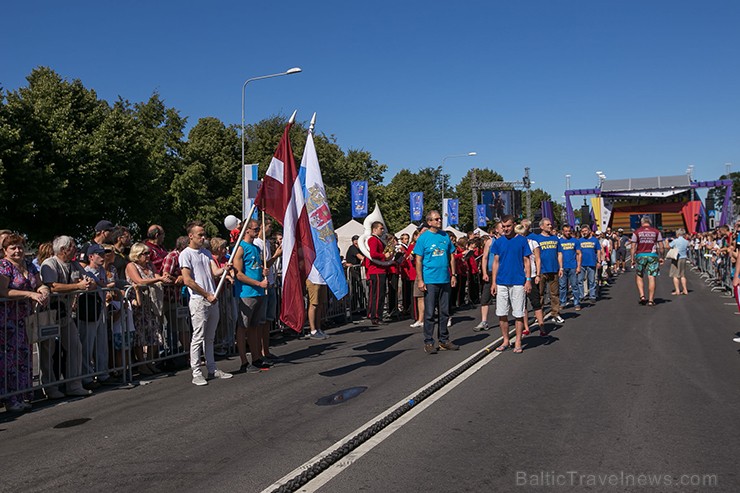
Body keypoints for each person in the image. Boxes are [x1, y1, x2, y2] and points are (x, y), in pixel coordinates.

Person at [179, 220, 233, 385]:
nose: (203, 238)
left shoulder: (206, 253)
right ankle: (196, 372)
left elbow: (214, 271)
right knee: (198, 336)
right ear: (191, 236)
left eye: (204, 235)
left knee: (210, 338)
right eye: (200, 235)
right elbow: (187, 280)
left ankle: (212, 368)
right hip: (198, 300)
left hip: (212, 299)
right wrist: (206, 294)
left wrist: (224, 268)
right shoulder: (186, 254)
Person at [0, 234, 50, 411]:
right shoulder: (4, 266)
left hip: (25, 318)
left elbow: (39, 284)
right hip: (8, 320)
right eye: (12, 247)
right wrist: (30, 294)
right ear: (5, 251)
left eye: (20, 246)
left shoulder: (28, 265)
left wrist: (43, 291)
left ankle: (24, 395)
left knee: (24, 356)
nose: (17, 250)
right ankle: (10, 399)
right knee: (9, 359)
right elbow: (4, 292)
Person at [40, 235, 94, 397]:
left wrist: (90, 283)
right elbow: (52, 286)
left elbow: (88, 279)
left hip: (65, 313)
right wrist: (77, 286)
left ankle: (74, 385)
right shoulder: (49, 264)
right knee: (48, 349)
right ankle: (50, 387)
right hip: (48, 313)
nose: (76, 249)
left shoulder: (75, 264)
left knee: (74, 346)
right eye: (73, 246)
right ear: (63, 249)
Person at [414, 210, 459, 354]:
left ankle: (444, 340)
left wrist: (453, 275)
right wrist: (420, 280)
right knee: (429, 313)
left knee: (444, 312)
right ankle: (428, 341)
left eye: (440, 218)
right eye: (436, 219)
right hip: (430, 280)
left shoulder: (445, 236)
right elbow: (418, 260)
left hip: (445, 279)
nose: (439, 221)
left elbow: (451, 256)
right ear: (429, 222)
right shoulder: (423, 238)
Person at [233, 219, 271, 372]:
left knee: (255, 326)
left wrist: (263, 272)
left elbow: (255, 266)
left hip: (259, 292)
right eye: (255, 229)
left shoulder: (256, 247)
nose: (257, 232)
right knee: (243, 326)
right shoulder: (240, 248)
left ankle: (256, 357)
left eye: (258, 229)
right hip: (246, 293)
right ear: (247, 230)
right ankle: (244, 361)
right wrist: (257, 284)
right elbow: (239, 274)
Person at [490, 216, 532, 354]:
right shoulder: (498, 242)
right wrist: (493, 282)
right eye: (503, 226)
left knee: (518, 313)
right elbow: (495, 262)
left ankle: (518, 341)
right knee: (502, 313)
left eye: (508, 226)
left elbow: (527, 261)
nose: (506, 229)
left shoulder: (522, 240)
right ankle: (506, 340)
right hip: (502, 282)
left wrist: (528, 280)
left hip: (518, 282)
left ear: (514, 225)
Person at [125, 242, 167, 375]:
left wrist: (164, 278)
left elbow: (156, 277)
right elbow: (139, 281)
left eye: (148, 253)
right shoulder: (131, 266)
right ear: (137, 255)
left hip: (151, 304)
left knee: (154, 333)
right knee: (140, 335)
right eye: (145, 253)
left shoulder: (150, 265)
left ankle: (150, 361)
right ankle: (142, 364)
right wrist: (159, 279)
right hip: (139, 304)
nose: (148, 256)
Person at [79, 244, 112, 388]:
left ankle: (103, 373)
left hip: (101, 309)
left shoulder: (102, 271)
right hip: (89, 310)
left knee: (101, 343)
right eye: (99, 254)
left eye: (103, 254)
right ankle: (86, 377)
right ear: (91, 256)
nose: (103, 257)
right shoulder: (86, 271)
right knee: (88, 344)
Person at [254, 218, 283, 362]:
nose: (270, 229)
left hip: (270, 284)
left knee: (267, 320)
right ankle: (259, 352)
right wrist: (276, 255)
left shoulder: (266, 243)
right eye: (269, 227)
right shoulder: (256, 244)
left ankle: (266, 350)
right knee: (261, 321)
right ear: (261, 227)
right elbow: (264, 265)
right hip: (263, 285)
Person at [630, 216, 664, 306]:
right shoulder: (656, 232)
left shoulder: (636, 232)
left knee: (639, 275)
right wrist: (661, 257)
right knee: (651, 277)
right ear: (650, 222)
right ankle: (651, 300)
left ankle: (642, 296)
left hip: (640, 255)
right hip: (652, 255)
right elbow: (661, 246)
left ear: (641, 222)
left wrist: (632, 258)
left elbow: (633, 246)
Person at [535, 217, 560, 335]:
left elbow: (559, 253)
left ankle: (555, 313)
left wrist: (561, 267)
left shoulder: (555, 238)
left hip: (554, 269)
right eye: (548, 224)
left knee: (554, 293)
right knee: (540, 294)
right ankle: (540, 315)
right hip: (542, 271)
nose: (550, 226)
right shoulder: (536, 239)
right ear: (541, 226)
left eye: (551, 224)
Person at [519, 221, 544, 337]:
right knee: (522, 304)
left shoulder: (533, 243)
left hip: (533, 275)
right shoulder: (516, 244)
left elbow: (538, 259)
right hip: (520, 277)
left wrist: (538, 274)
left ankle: (541, 325)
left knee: (535, 302)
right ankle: (526, 327)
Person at [366, 221, 388, 325]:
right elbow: (373, 254)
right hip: (376, 270)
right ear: (374, 230)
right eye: (381, 228)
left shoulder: (378, 240)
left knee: (380, 294)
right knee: (378, 294)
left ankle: (377, 315)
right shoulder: (373, 239)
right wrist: (384, 256)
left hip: (380, 270)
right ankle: (375, 316)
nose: (382, 230)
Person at [558, 225, 581, 319]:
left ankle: (577, 302)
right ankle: (563, 302)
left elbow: (579, 253)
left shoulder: (575, 241)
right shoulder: (559, 241)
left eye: (569, 231)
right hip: (563, 267)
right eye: (566, 231)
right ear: (562, 231)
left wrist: (578, 266)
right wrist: (560, 267)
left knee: (574, 285)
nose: (568, 233)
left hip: (572, 266)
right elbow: (558, 254)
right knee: (562, 286)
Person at [578, 225, 602, 304]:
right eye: (583, 231)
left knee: (591, 281)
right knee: (580, 280)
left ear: (589, 231)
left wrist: (599, 261)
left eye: (585, 231)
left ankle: (592, 296)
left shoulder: (595, 240)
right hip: (582, 263)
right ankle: (581, 296)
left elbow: (598, 251)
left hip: (591, 263)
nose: (584, 232)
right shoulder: (579, 241)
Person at [668, 228, 690, 295]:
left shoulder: (675, 241)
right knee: (682, 275)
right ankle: (685, 289)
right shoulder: (686, 241)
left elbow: (668, 246)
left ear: (677, 234)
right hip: (684, 257)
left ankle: (677, 290)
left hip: (677, 258)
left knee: (675, 275)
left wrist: (667, 241)